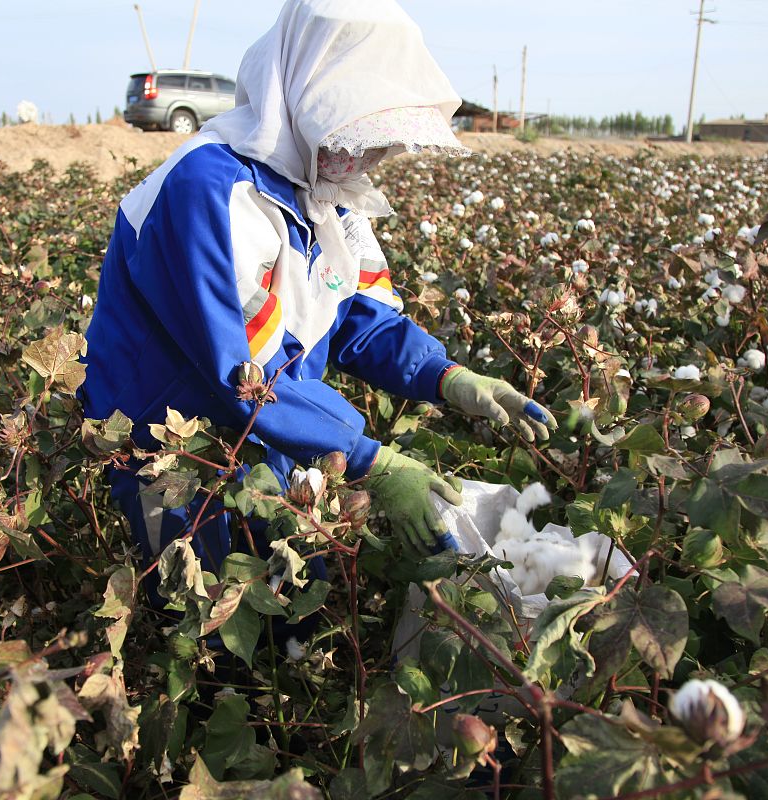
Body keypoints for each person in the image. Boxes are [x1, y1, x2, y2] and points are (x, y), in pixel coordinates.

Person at [80, 0, 557, 599]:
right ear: (307, 96)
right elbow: (245, 374)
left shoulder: (323, 194)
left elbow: (358, 313)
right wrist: (369, 461)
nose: (375, 155)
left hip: (277, 432)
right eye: (360, 129)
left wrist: (446, 375)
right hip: (179, 449)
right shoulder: (212, 191)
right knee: (200, 617)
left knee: (295, 603)